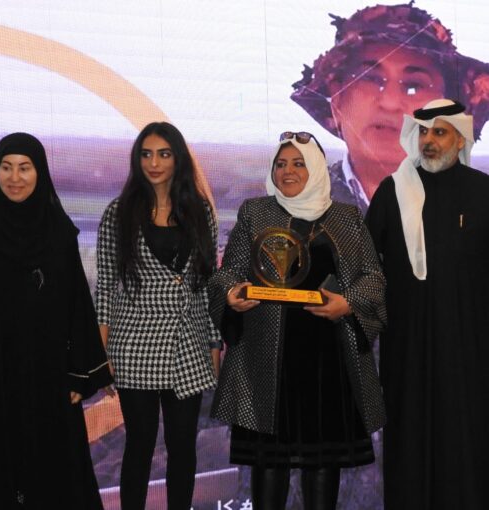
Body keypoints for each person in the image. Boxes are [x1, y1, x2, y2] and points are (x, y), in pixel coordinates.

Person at [209, 131, 386, 510]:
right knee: (268, 463)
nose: (287, 171)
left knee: (322, 464)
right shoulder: (256, 213)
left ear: (318, 167)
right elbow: (229, 273)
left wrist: (348, 303)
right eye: (281, 163)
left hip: (329, 364)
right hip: (266, 361)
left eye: (298, 163)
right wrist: (231, 293)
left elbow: (373, 278)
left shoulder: (347, 218)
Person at [365, 98, 489, 509]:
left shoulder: (483, 191)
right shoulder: (392, 191)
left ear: (460, 138)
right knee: (410, 436)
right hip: (408, 347)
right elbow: (364, 264)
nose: (429, 140)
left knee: (465, 438)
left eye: (439, 132)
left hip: (469, 349)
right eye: (423, 132)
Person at [0, 132, 113, 510]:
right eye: (6, 167)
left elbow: (77, 306)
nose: (14, 178)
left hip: (49, 378)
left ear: (40, 172)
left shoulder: (58, 233)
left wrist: (80, 374)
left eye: (24, 168)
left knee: (55, 478)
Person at [95, 121, 221, 510]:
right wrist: (102, 353)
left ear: (178, 158)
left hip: (188, 343)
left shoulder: (199, 211)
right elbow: (105, 286)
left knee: (183, 446)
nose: (154, 163)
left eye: (164, 154)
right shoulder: (118, 213)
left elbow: (207, 284)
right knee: (140, 445)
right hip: (135, 345)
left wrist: (214, 342)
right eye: (146, 154)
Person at [291, 2, 489, 212]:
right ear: (337, 100)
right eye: (371, 79)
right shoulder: (287, 215)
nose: (390, 102)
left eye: (414, 86)